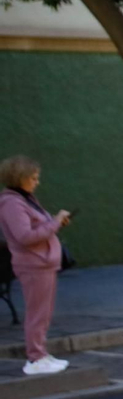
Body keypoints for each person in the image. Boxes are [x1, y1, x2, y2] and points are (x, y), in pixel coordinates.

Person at [0, 155, 71, 376]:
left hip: (42, 264)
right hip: (33, 265)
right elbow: (25, 236)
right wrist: (56, 223)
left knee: (43, 313)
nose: (36, 181)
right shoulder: (12, 203)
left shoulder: (25, 199)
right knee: (37, 314)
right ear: (19, 177)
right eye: (33, 177)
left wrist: (54, 223)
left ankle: (40, 354)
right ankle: (35, 358)